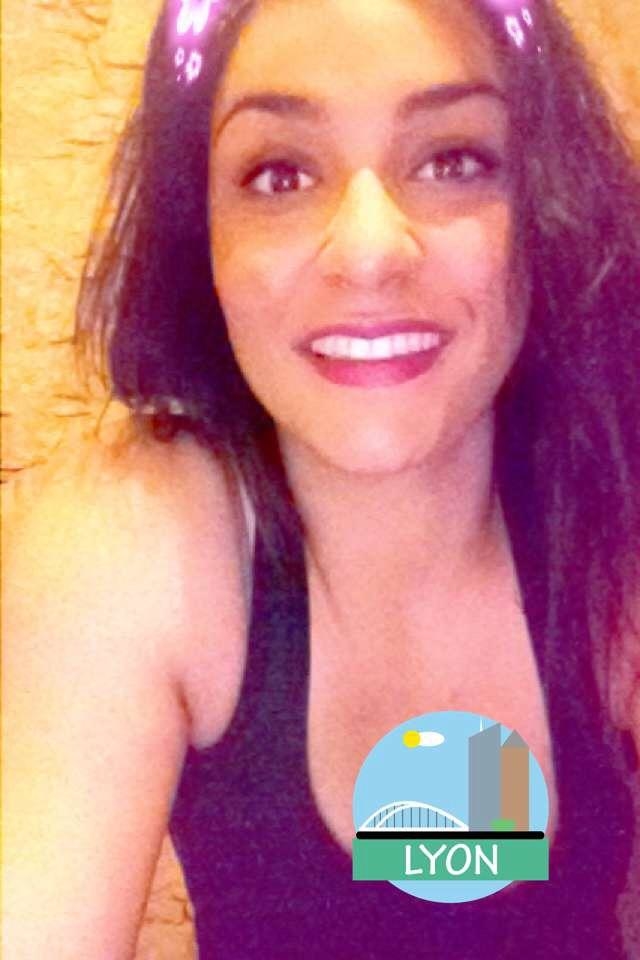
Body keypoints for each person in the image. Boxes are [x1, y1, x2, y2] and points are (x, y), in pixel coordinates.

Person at [4, 0, 640, 956]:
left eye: (453, 159)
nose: (370, 251)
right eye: (280, 174)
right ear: (200, 238)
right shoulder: (132, 538)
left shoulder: (611, 507)